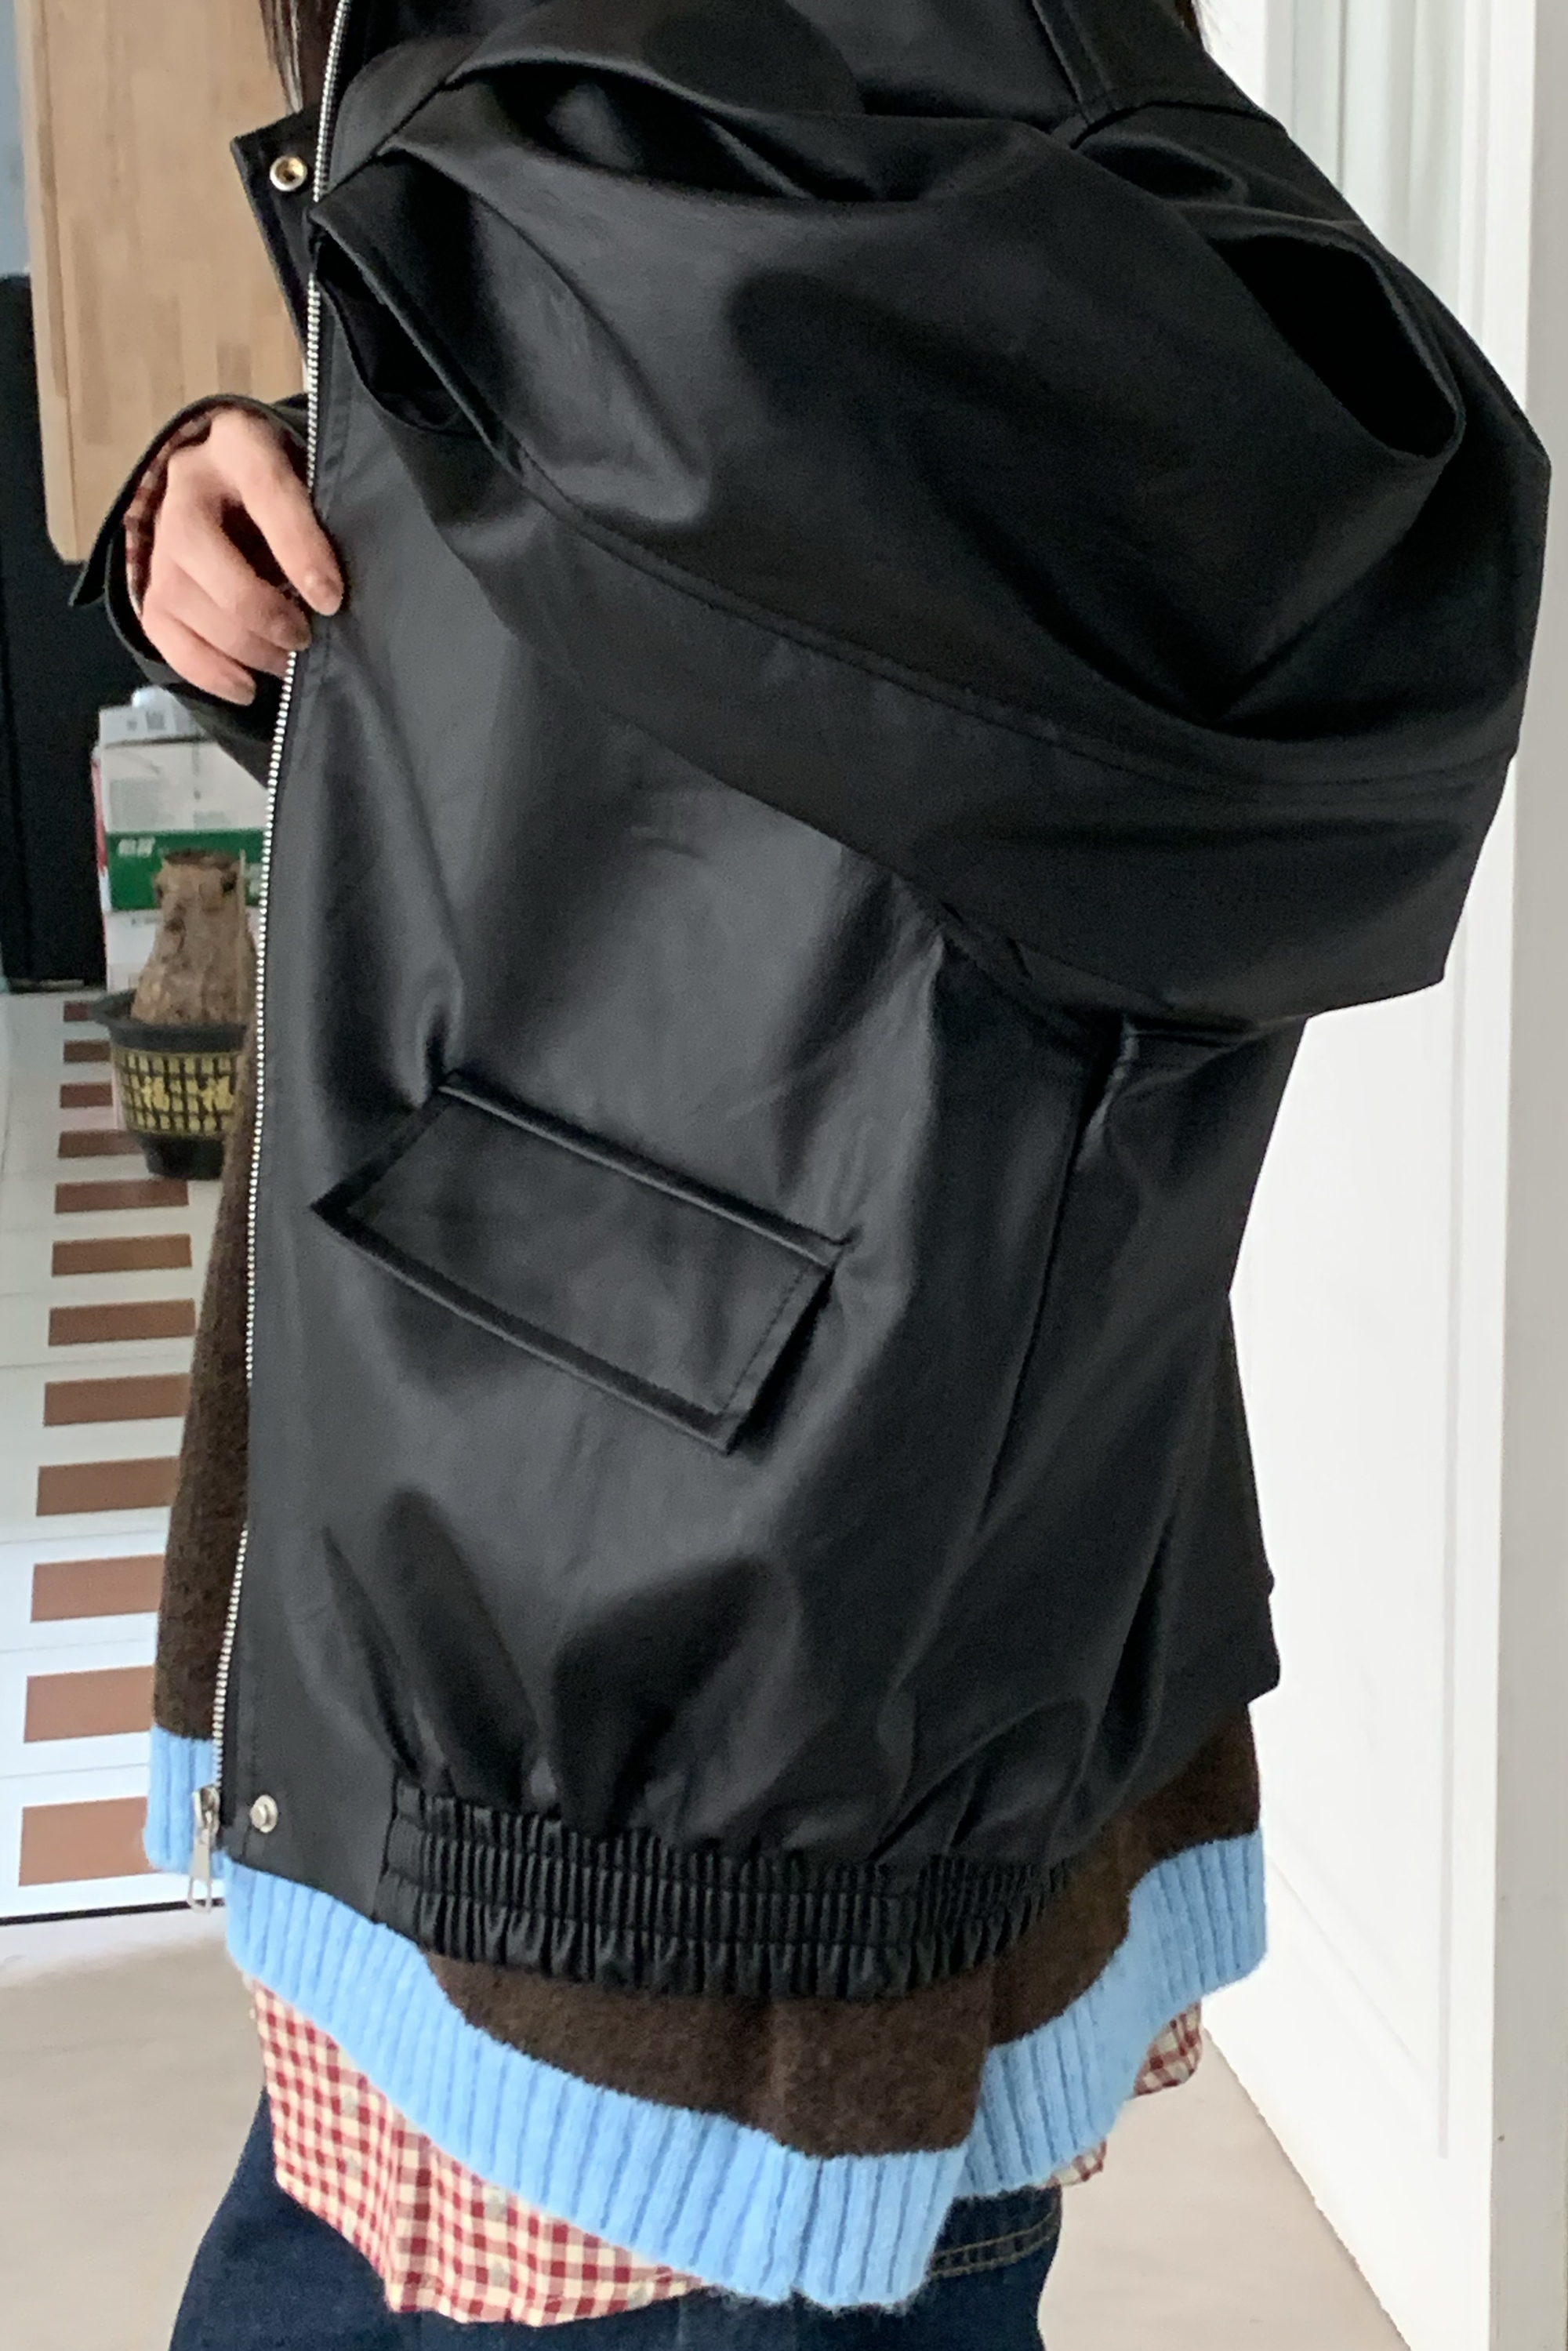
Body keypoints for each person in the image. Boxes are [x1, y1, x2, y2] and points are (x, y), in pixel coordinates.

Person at [77, 0, 1548, 2339]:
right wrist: (294, 470)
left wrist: (464, 294)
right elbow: (737, 614)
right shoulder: (612, 111)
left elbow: (1101, 587)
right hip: (536, 1512)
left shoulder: (754, 87)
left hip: (695, 1645)